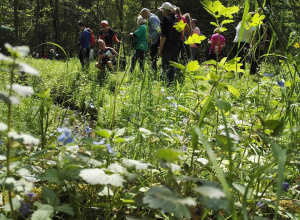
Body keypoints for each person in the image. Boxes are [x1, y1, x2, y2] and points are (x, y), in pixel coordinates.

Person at [158, 2, 180, 86]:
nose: (162, 11)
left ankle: (164, 85)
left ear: (166, 10)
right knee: (172, 67)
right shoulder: (176, 19)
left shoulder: (166, 19)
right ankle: (170, 84)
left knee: (165, 67)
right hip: (176, 47)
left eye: (162, 9)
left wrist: (160, 49)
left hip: (168, 47)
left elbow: (163, 36)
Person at [250, 7, 270, 74]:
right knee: (257, 56)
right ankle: (254, 71)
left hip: (258, 41)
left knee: (256, 56)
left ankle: (253, 71)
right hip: (259, 41)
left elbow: (264, 33)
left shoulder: (262, 21)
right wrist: (263, 43)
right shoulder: (262, 21)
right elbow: (265, 33)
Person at [140, 8, 161, 72]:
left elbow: (157, 30)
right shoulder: (152, 17)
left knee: (153, 57)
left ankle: (154, 72)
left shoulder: (152, 18)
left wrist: (150, 38)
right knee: (152, 57)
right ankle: (154, 70)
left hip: (156, 40)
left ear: (147, 12)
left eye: (143, 16)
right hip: (155, 40)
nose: (143, 18)